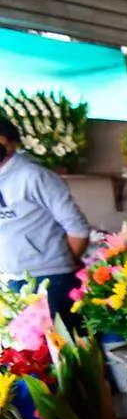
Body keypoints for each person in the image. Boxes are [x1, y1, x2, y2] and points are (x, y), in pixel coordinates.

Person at [0, 117, 91, 328]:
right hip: (13, 280)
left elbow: (78, 229)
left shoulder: (35, 176)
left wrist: (58, 265)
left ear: (12, 141)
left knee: (67, 353)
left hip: (50, 280)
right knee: (31, 357)